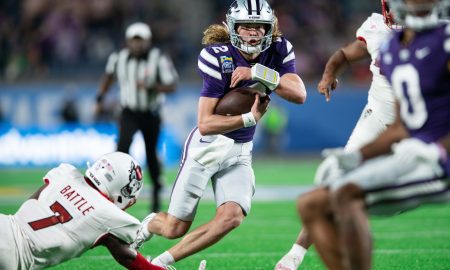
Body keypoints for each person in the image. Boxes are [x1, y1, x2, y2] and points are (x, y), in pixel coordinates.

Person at [131, 0, 307, 268]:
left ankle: (162, 262)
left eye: (259, 27)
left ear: (269, 28)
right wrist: (249, 118)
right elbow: (205, 123)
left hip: (240, 150)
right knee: (173, 228)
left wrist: (256, 72)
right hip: (207, 147)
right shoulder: (217, 55)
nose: (253, 32)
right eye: (246, 26)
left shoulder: (278, 48)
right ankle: (149, 224)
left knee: (231, 217)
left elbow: (299, 94)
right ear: (233, 27)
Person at [297, 0, 450, 269]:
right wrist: (356, 156)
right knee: (311, 204)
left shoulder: (445, 42)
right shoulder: (391, 47)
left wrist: (439, 147)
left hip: (439, 159)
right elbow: (401, 126)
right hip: (410, 147)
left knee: (345, 194)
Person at [276, 1, 398, 268]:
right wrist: (329, 74)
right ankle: (295, 254)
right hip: (377, 117)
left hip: (418, 128)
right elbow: (344, 54)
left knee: (381, 199)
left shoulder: (439, 34)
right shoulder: (377, 28)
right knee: (334, 181)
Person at [0, 152, 165, 270]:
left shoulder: (66, 173)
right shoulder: (109, 215)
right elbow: (128, 257)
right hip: (12, 257)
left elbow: (34, 201)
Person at [95, 22, 178, 212]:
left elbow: (172, 85)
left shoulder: (158, 58)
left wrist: (153, 87)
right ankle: (111, 192)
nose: (137, 45)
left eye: (141, 41)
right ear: (128, 41)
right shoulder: (118, 57)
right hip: (128, 112)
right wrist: (100, 97)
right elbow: (108, 76)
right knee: (121, 150)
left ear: (148, 41)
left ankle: (156, 194)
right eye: (134, 40)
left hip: (151, 112)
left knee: (151, 153)